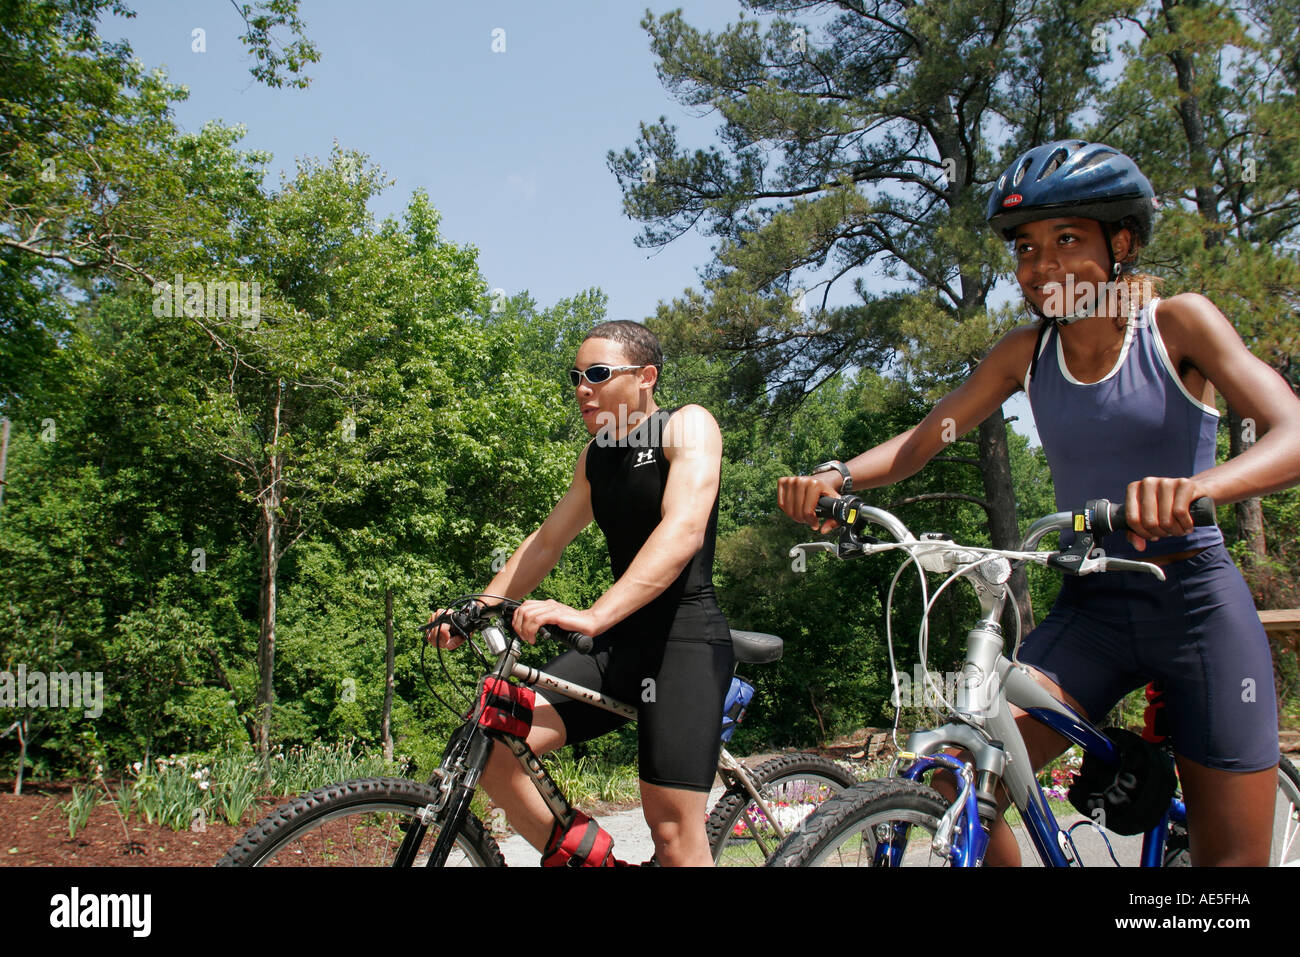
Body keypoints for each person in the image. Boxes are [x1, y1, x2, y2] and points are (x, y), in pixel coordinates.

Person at [777, 140, 1300, 865]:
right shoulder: (1024, 354)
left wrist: (1200, 487)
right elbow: (924, 439)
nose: (1042, 265)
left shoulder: (1179, 325)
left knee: (1227, 873)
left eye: (1067, 240)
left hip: (1195, 605)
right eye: (1026, 248)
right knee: (961, 776)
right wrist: (837, 476)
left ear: (1120, 243)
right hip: (1092, 607)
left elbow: (1293, 431)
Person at [428, 320, 731, 867]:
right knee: (494, 743)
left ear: (646, 377)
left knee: (671, 833)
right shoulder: (596, 455)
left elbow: (683, 530)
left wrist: (594, 614)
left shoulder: (687, 426)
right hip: (619, 646)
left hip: (683, 642)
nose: (581, 388)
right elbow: (545, 543)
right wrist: (480, 604)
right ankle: (581, 854)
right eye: (576, 376)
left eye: (596, 374)